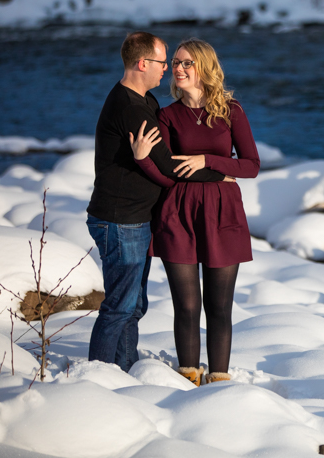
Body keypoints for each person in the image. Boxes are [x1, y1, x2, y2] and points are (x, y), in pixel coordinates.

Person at [87, 31, 227, 372]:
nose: (167, 69)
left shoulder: (144, 101)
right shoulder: (130, 108)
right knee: (120, 306)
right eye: (164, 62)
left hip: (135, 219)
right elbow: (170, 170)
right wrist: (219, 173)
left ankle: (123, 366)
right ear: (142, 63)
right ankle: (98, 376)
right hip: (121, 220)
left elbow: (163, 166)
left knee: (133, 305)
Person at [131, 38, 260, 386]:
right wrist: (144, 160)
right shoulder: (167, 115)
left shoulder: (232, 111)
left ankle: (219, 380)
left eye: (187, 63)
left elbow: (251, 165)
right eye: (175, 63)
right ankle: (187, 376)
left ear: (204, 68)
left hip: (223, 214)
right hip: (178, 213)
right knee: (186, 307)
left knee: (219, 308)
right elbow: (170, 170)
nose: (178, 69)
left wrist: (208, 162)